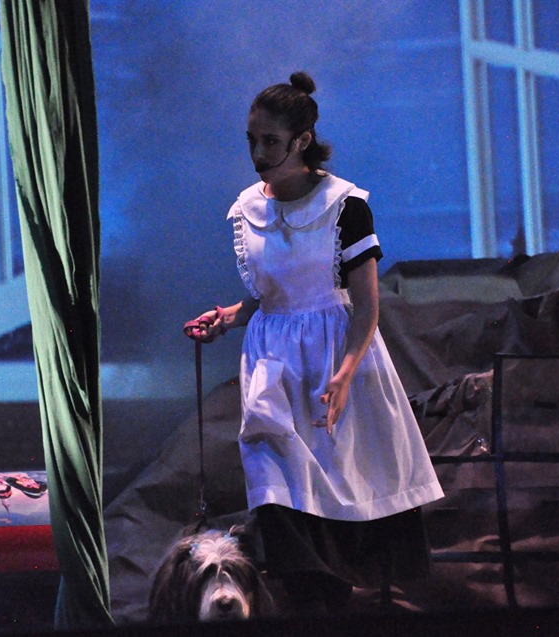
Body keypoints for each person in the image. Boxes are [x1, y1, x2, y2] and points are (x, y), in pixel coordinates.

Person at [184, 71, 443, 613]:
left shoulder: (344, 206)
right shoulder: (248, 207)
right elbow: (271, 296)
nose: (258, 153)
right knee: (277, 498)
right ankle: (310, 607)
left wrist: (345, 374)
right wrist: (227, 318)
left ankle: (327, 611)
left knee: (333, 507)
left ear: (302, 140)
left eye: (271, 141)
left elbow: (365, 307)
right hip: (273, 369)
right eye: (252, 140)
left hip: (332, 363)